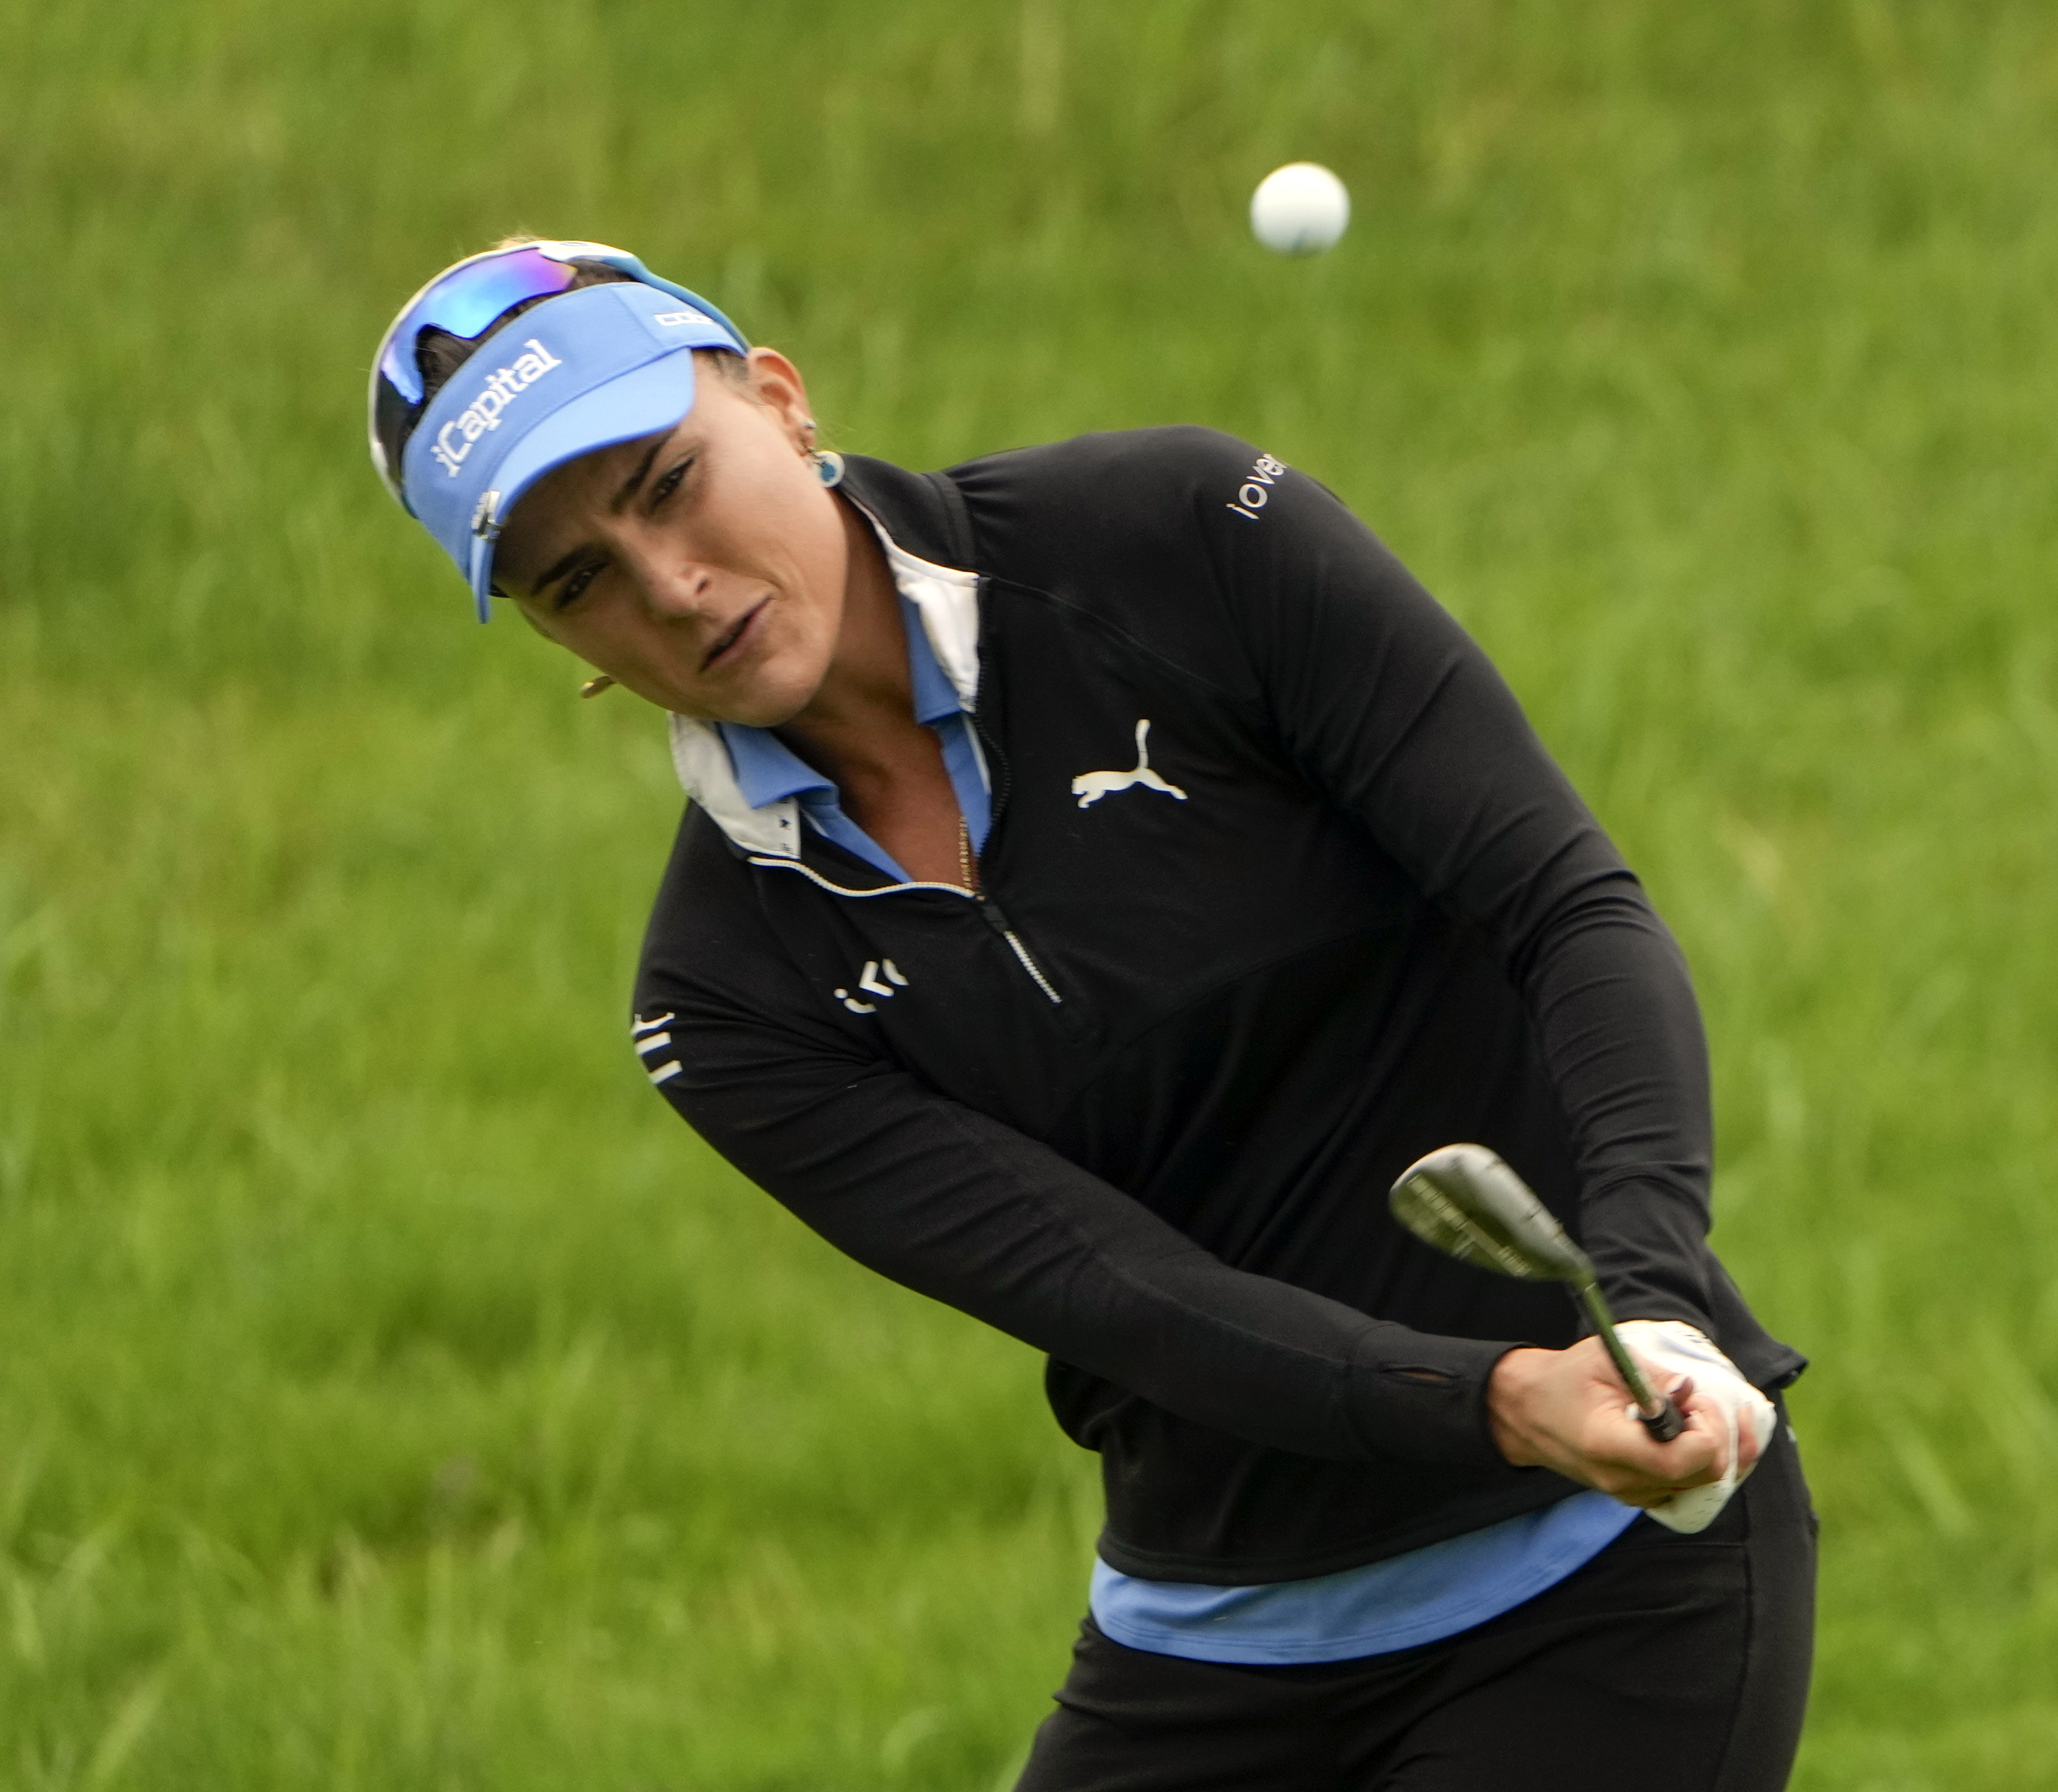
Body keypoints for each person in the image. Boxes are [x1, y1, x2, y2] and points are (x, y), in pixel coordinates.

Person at [367, 237, 1818, 1790]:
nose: (668, 585)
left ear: (782, 403)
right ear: (552, 639)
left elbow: (1564, 909)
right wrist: (1496, 1398)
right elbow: (1119, 1290)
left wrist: (1651, 1299)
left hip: (1599, 1577)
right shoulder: (723, 995)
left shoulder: (1180, 538)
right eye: (576, 578)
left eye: (668, 482)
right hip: (1204, 1653)